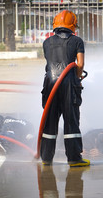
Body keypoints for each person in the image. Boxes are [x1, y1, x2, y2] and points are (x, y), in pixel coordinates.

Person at [40, 10, 89, 167]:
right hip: (69, 85)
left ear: (55, 25)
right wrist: (78, 78)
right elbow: (80, 65)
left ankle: (46, 158)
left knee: (50, 122)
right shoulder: (77, 41)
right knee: (71, 121)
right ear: (73, 26)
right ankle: (74, 159)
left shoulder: (46, 42)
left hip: (49, 85)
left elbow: (50, 63)